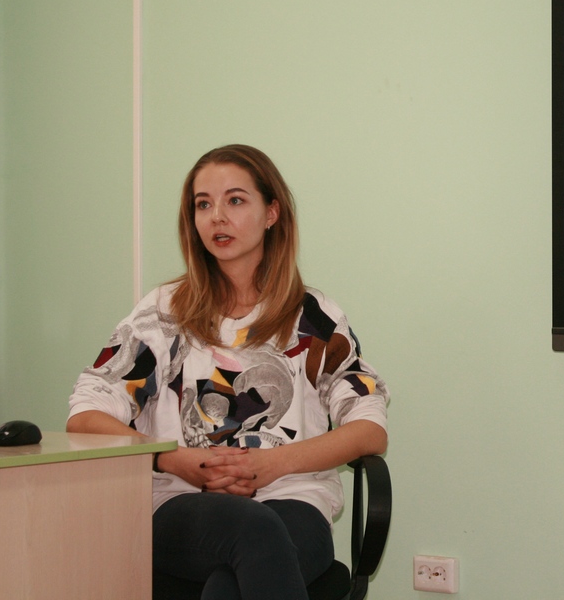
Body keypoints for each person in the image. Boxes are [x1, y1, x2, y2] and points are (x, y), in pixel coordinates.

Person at [68, 144, 388, 600]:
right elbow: (85, 416)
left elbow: (370, 429)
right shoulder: (162, 314)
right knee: (253, 531)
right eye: (203, 204)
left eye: (235, 200)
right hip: (182, 502)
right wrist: (178, 460)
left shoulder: (313, 317)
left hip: (294, 501)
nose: (217, 216)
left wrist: (271, 465)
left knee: (229, 587)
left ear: (272, 213)